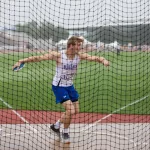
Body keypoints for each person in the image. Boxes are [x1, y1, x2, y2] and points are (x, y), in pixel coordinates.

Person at [12, 36, 110, 143]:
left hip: (70, 86)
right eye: (78, 45)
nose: (80, 47)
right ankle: (65, 132)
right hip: (59, 86)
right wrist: (22, 60)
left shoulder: (79, 56)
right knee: (70, 110)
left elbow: (94, 58)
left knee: (76, 111)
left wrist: (103, 60)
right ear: (70, 46)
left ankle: (56, 126)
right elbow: (38, 58)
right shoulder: (59, 55)